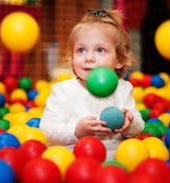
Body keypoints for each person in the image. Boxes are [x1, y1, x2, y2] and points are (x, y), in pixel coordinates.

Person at [40, 9, 145, 160]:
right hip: (73, 162)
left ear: (119, 60)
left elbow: (138, 128)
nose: (89, 57)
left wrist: (130, 123)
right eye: (81, 50)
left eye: (100, 50)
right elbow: (47, 130)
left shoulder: (123, 89)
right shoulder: (63, 91)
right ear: (72, 56)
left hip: (114, 164)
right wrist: (76, 131)